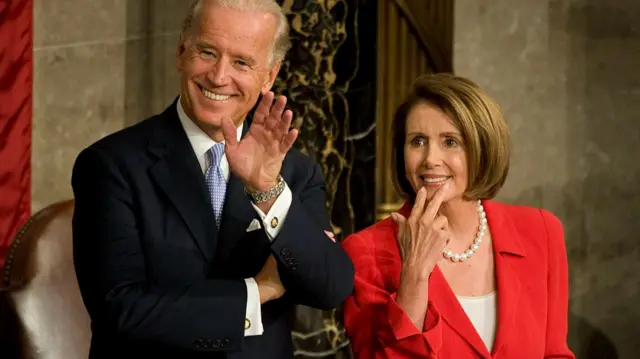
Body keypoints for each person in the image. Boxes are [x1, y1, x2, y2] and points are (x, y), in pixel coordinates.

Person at [70, 0, 354, 358]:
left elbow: (330, 288)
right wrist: (258, 291)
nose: (219, 77)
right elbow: (122, 309)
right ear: (181, 51)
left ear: (269, 75)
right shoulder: (110, 165)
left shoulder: (293, 172)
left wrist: (266, 191)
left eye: (241, 62)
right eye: (207, 52)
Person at [341, 73, 575, 358]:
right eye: (417, 141)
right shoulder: (366, 253)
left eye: (450, 142)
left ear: (483, 148)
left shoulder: (541, 231)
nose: (430, 159)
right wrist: (414, 275)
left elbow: (555, 354)